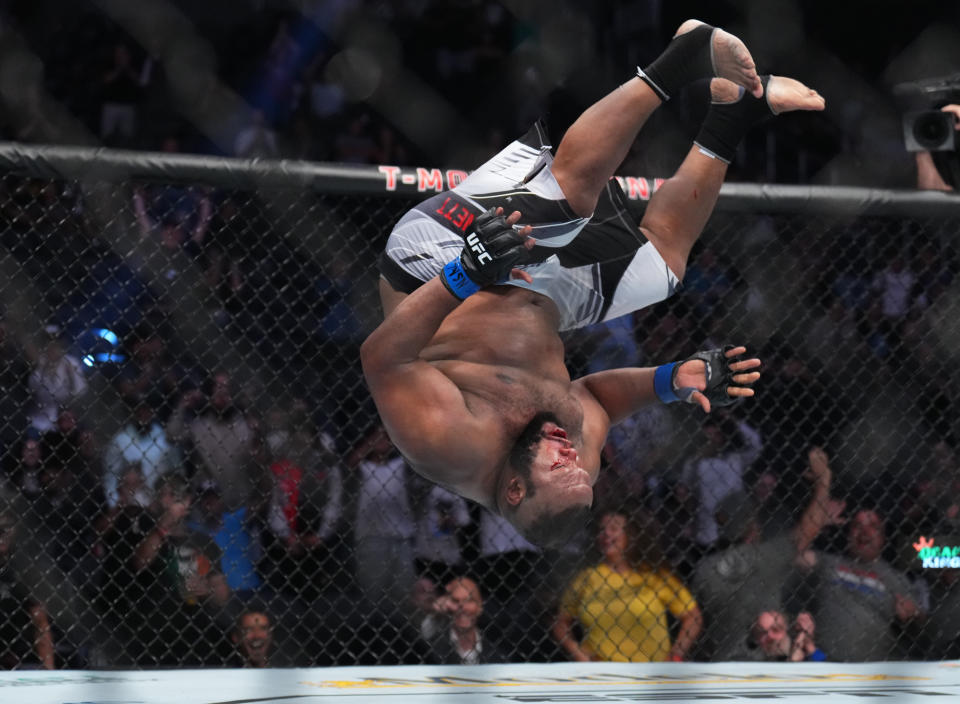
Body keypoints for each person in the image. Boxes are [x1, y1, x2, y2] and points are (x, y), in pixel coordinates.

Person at [362, 20, 824, 546]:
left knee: (566, 207)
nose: (573, 458)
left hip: (439, 258)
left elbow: (384, 358)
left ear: (513, 490)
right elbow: (596, 401)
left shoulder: (447, 445)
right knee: (662, 270)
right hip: (539, 297)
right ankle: (731, 113)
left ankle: (683, 56)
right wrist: (670, 380)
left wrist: (464, 274)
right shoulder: (576, 464)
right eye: (581, 469)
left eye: (561, 468)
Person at [692, 447, 844, 660]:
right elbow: (805, 532)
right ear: (752, 525)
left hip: (723, 662)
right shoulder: (763, 558)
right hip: (765, 660)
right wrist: (823, 481)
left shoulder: (704, 569)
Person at [554, 509, 702, 662]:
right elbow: (561, 623)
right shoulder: (587, 578)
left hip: (651, 672)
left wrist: (675, 655)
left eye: (613, 529)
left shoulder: (654, 575)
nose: (606, 534)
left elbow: (693, 616)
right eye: (602, 530)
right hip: (600, 673)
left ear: (630, 534)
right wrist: (578, 653)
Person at [806, 506, 925, 661]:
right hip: (822, 662)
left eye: (873, 526)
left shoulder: (895, 578)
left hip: (872, 672)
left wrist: (913, 615)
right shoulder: (828, 562)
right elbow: (792, 555)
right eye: (857, 525)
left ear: (882, 537)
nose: (864, 532)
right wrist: (815, 524)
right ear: (849, 534)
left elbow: (923, 625)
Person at [423, 576, 508, 665]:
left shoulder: (499, 653)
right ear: (447, 604)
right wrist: (435, 612)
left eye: (469, 600)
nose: (462, 607)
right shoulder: (432, 650)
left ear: (479, 607)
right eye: (455, 601)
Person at [747, 609, 826, 662]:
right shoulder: (753, 665)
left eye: (776, 630)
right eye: (763, 633)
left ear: (786, 631)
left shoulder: (809, 657)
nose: (770, 636)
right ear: (756, 638)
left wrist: (810, 647)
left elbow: (829, 670)